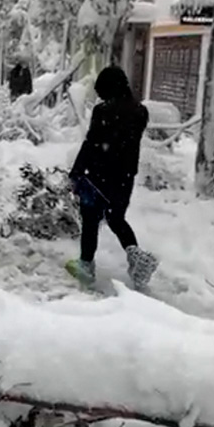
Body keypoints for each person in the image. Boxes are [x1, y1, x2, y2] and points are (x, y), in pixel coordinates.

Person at [67, 66, 159, 290]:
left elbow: (92, 144)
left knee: (90, 220)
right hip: (124, 178)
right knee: (116, 219)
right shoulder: (140, 112)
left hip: (97, 177)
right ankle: (137, 259)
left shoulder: (102, 111)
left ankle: (86, 266)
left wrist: (76, 172)